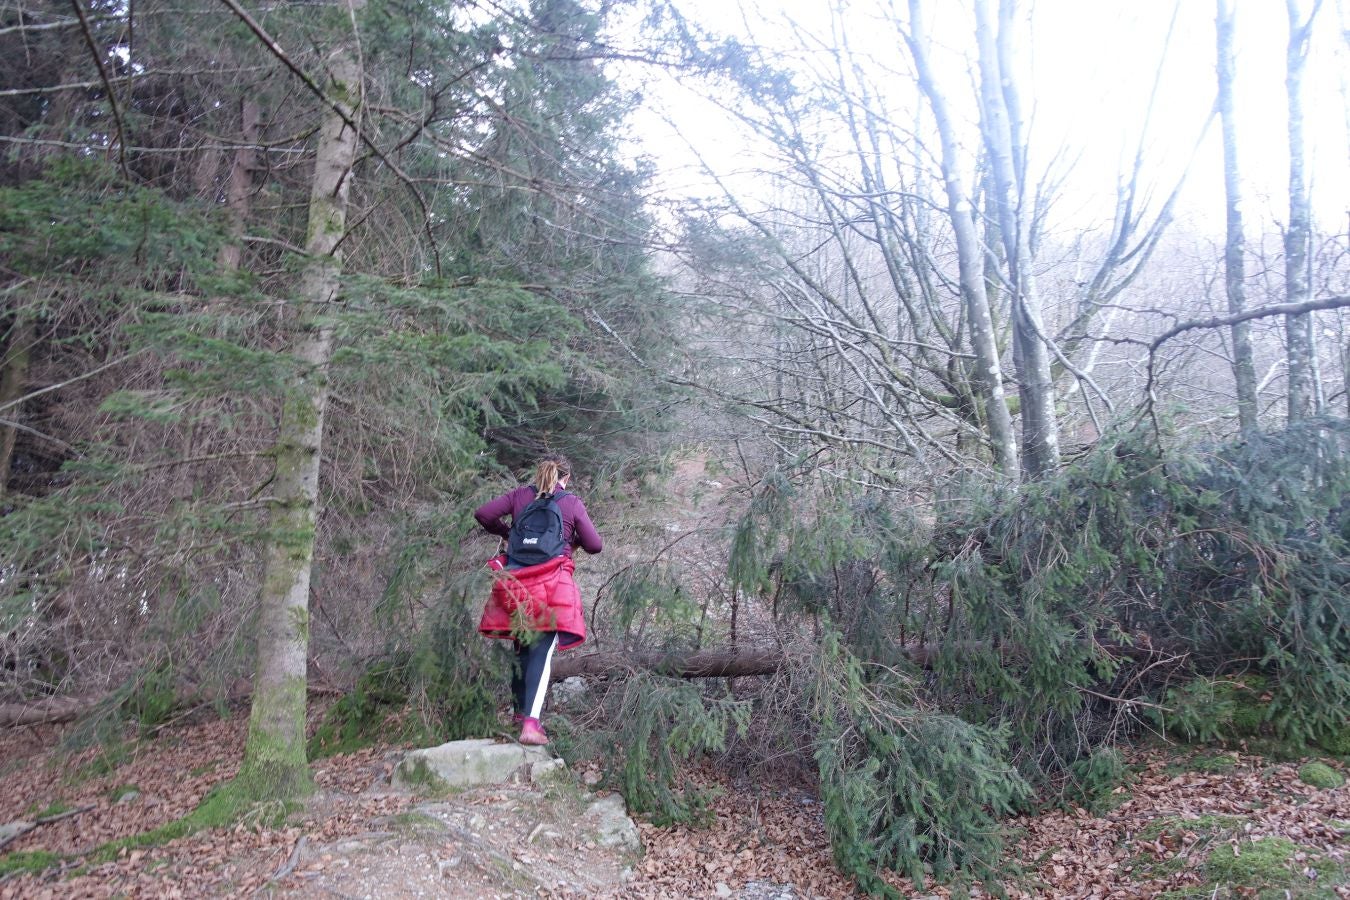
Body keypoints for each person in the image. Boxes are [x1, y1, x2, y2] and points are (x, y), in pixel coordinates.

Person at [474, 454, 602, 745]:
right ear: (566, 478)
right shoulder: (570, 502)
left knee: (522, 646)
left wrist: (509, 534)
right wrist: (571, 542)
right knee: (541, 654)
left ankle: (519, 715)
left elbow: (483, 514)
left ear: (538, 473)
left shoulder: (520, 496)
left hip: (516, 584)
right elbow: (595, 544)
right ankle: (531, 725)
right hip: (552, 584)